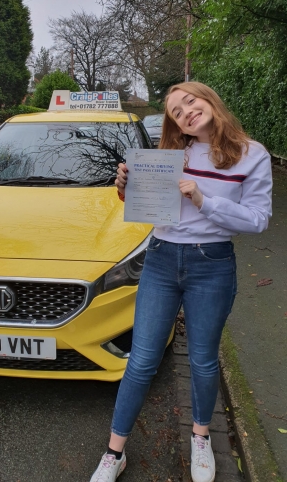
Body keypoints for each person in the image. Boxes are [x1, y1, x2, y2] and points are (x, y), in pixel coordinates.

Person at [90, 81, 272, 482]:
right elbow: (149, 205)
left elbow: (258, 220)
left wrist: (203, 198)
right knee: (141, 360)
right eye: (176, 112)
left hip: (212, 263)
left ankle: (201, 437)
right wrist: (125, 187)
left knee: (204, 362)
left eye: (190, 101)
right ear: (176, 125)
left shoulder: (251, 154)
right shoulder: (171, 154)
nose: (186, 112)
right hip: (160, 258)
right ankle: (113, 453)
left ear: (209, 99)